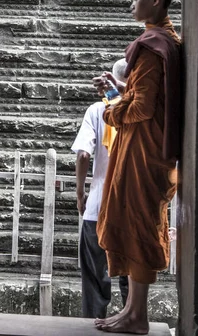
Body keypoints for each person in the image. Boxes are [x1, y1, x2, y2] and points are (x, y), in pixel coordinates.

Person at [93, 0, 181, 334]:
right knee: (135, 224)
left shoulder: (152, 44)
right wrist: (121, 87)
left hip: (144, 153)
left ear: (155, 0)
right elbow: (150, 94)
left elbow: (142, 108)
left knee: (140, 227)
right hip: (150, 150)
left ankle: (138, 317)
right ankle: (131, 310)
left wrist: (110, 109)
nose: (132, 5)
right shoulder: (167, 42)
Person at [72, 59, 128, 319]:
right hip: (130, 208)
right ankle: (131, 318)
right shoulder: (143, 110)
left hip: (98, 206)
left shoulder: (97, 110)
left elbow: (83, 154)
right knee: (131, 276)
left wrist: (80, 192)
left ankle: (93, 325)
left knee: (96, 276)